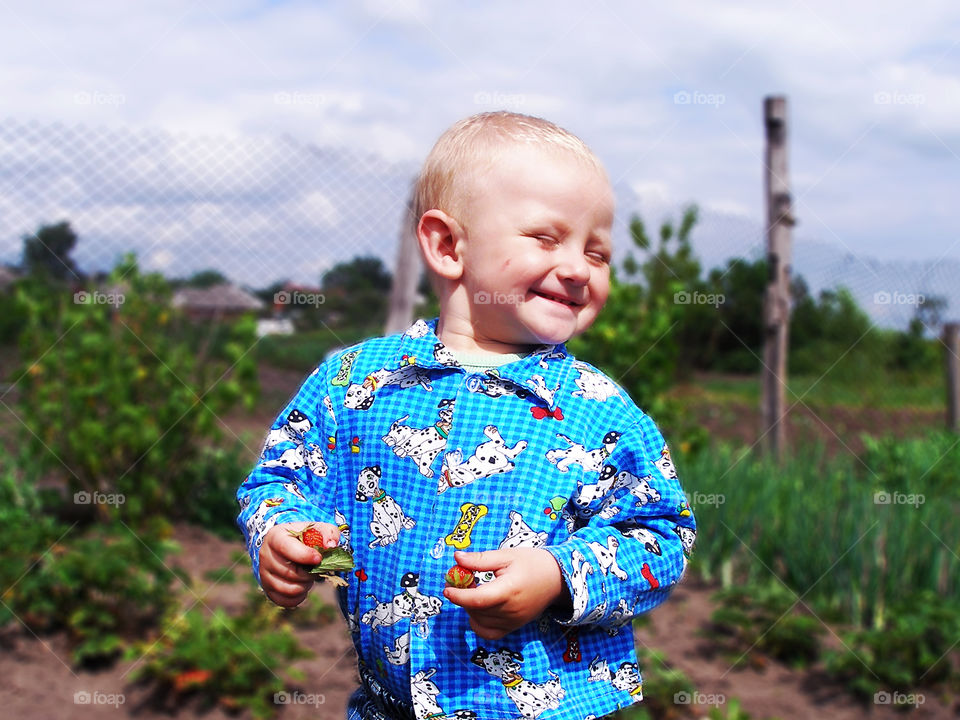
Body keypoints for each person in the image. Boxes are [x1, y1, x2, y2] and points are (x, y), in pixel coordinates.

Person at [237, 111, 697, 720]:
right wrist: (281, 535)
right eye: (546, 238)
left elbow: (664, 534)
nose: (579, 268)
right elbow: (280, 479)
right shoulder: (355, 383)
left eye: (598, 251)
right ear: (450, 245)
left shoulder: (597, 410)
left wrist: (558, 573)